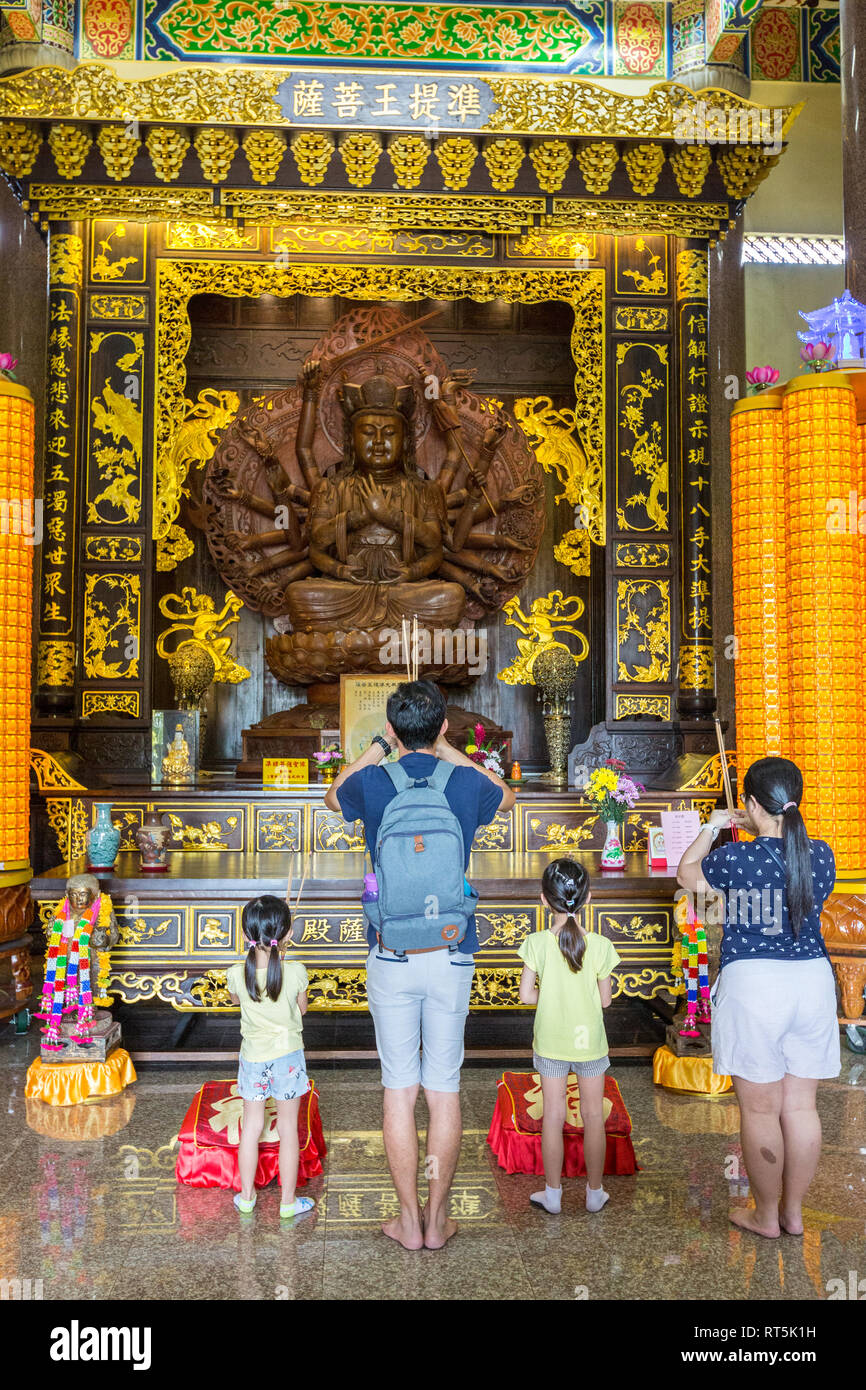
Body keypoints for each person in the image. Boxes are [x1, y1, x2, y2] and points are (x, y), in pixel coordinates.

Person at [325, 679, 515, 1250]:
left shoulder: (374, 782)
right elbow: (506, 796)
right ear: (441, 728)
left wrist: (378, 749)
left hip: (391, 950)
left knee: (399, 1090)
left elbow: (332, 798)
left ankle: (407, 1221)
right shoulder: (462, 783)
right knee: (445, 1089)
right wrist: (450, 750)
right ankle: (438, 1220)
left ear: (391, 728)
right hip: (453, 951)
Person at [677, 756, 839, 1239]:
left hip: (755, 986)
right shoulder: (823, 854)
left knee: (761, 1110)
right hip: (811, 982)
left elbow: (688, 875)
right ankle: (793, 1212)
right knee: (801, 1108)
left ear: (750, 803)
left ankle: (765, 1216)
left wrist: (714, 826)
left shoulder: (735, 857)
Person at [517, 858, 621, 1215]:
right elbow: (606, 1000)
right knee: (594, 1116)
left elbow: (526, 995)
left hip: (551, 1042)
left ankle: (553, 1194)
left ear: (544, 901)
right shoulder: (602, 945)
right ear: (588, 898)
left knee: (553, 1117)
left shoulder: (535, 943)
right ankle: (594, 1193)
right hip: (589, 1043)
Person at [226, 895, 315, 1222]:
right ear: (288, 934)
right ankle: (288, 1202)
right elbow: (302, 1009)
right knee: (289, 1129)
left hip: (253, 1059)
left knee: (252, 1127)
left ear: (246, 935)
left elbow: (238, 999)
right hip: (288, 1057)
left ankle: (247, 1197)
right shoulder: (296, 972)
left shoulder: (236, 973)